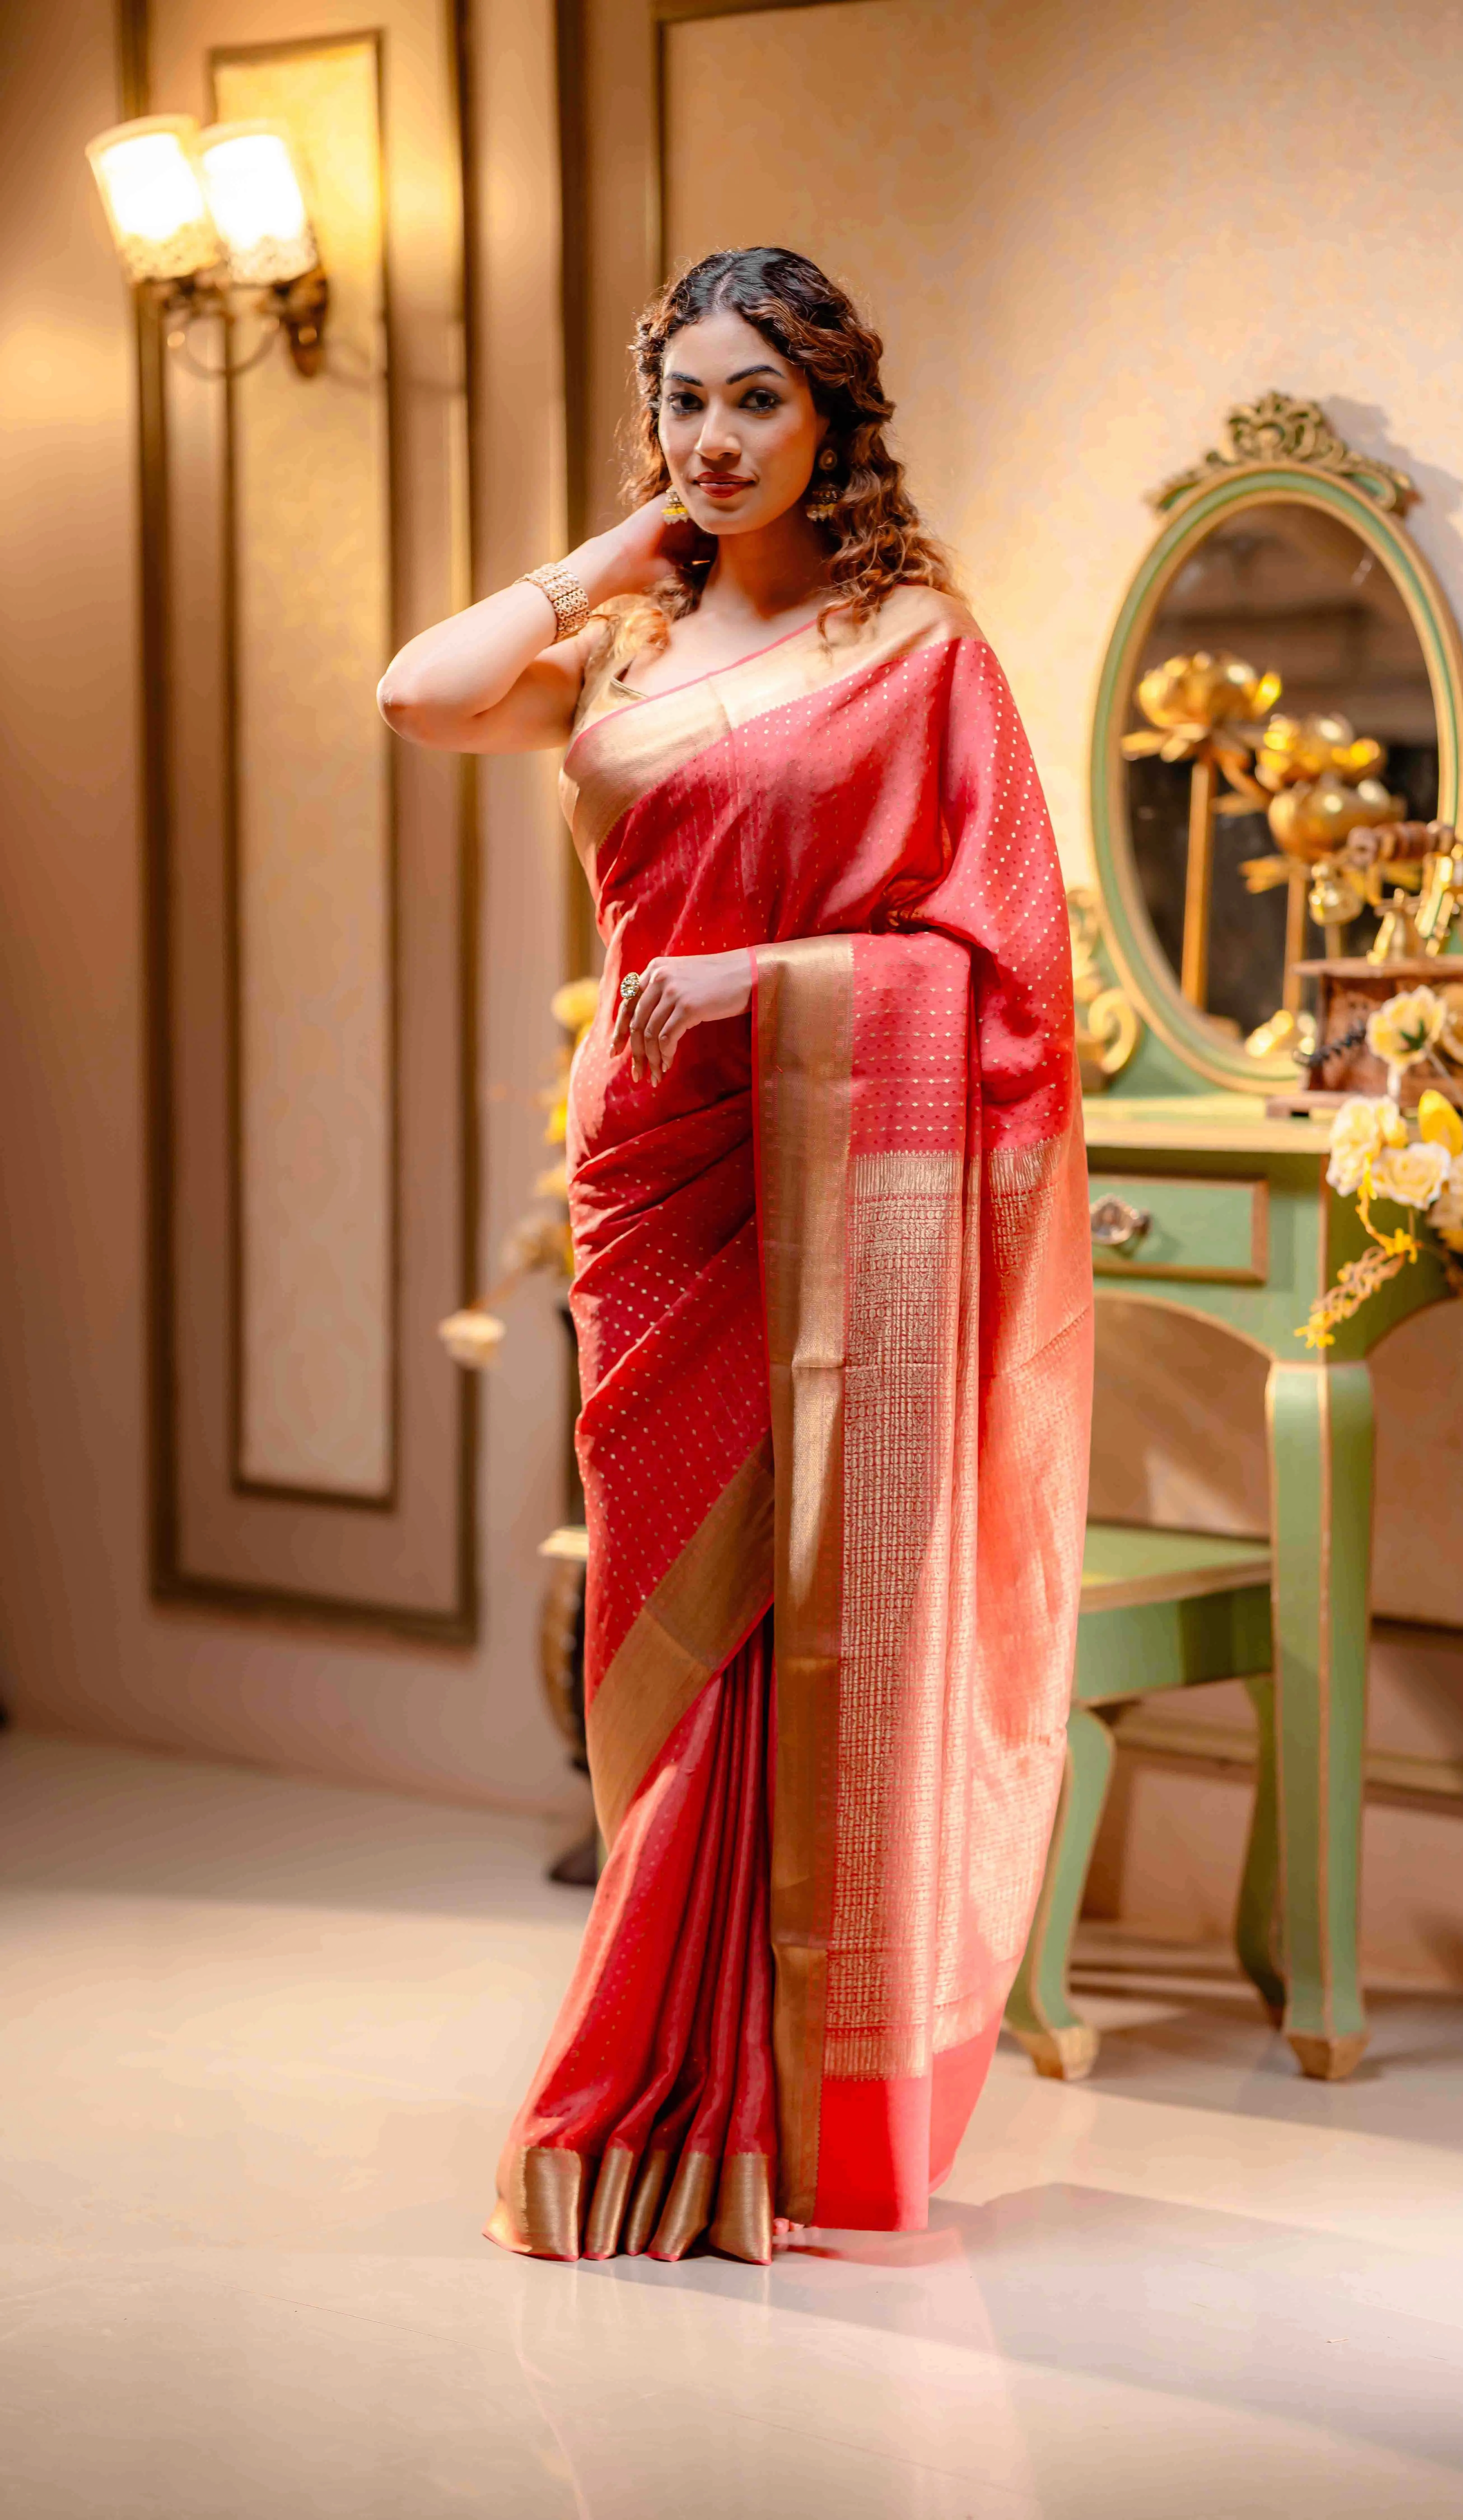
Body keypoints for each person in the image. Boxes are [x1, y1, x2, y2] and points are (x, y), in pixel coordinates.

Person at [378, 246, 1092, 2265]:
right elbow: (416, 695)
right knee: (660, 1627)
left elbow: (1001, 966)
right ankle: (677, 2092)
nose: (717, 437)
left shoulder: (911, 644)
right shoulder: (621, 652)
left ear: (835, 417)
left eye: (757, 400)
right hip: (653, 1182)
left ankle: (710, 2105)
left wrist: (770, 978)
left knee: (795, 1620)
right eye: (685, 399)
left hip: (816, 1164)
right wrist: (627, 544)